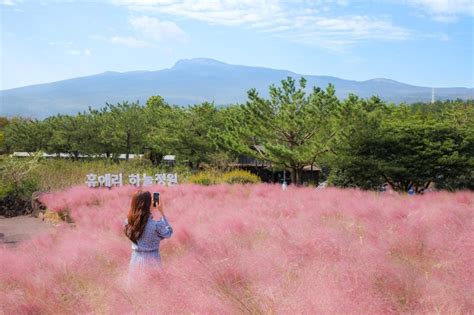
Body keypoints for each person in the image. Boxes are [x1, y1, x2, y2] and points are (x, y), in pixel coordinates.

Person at [124, 190, 173, 272]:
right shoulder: (156, 225)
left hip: (135, 260)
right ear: (148, 204)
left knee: (136, 284)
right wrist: (162, 212)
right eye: (151, 200)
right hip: (152, 261)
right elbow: (168, 233)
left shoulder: (128, 222)